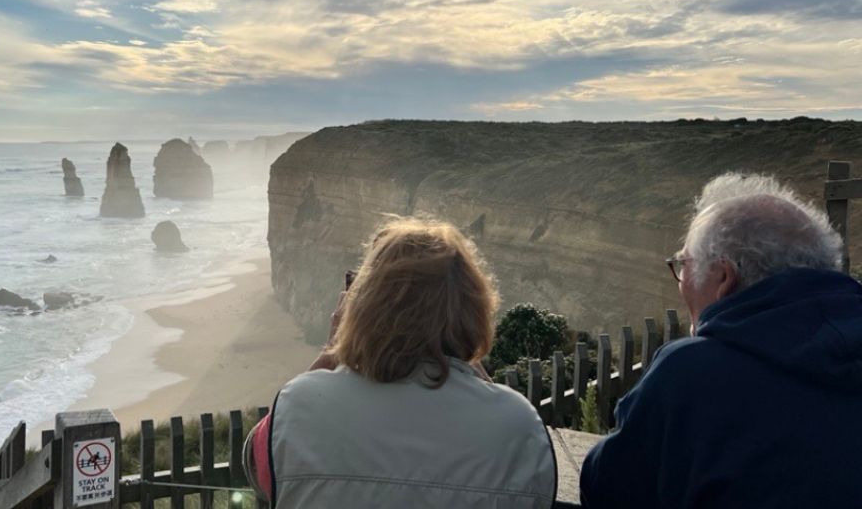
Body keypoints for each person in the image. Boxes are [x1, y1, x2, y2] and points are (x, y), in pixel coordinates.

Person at [580, 173, 862, 508]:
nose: (680, 278)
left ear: (724, 277)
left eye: (683, 264)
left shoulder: (691, 374)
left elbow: (606, 488)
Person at [244, 217, 557, 508]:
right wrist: (469, 363)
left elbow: (255, 465)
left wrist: (332, 350)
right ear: (476, 308)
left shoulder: (299, 406)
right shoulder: (518, 426)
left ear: (361, 308)